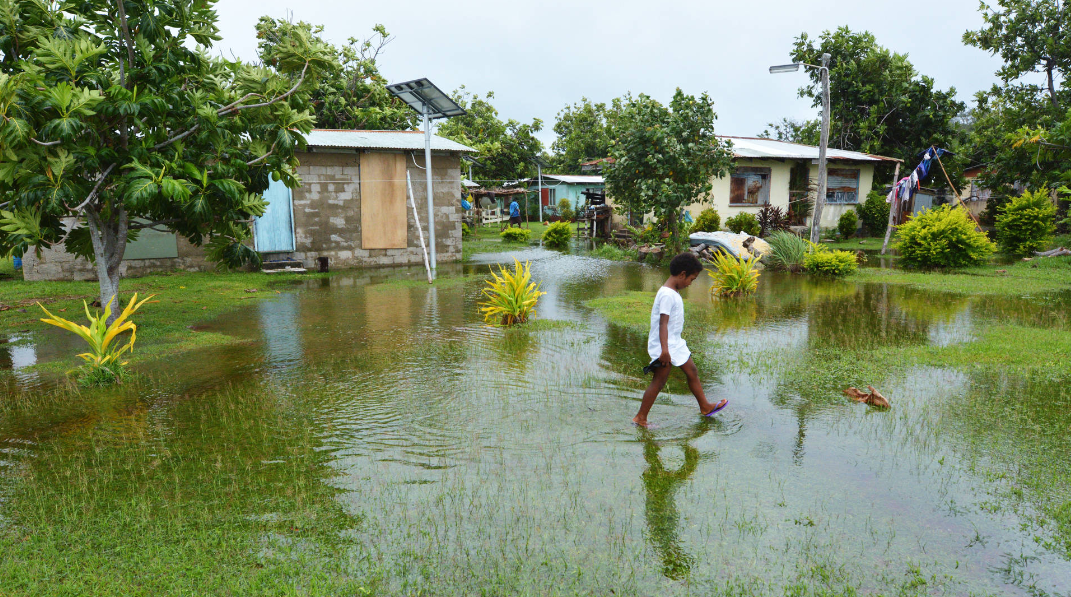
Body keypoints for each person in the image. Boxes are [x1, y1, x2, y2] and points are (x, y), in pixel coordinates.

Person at [633, 252, 728, 427]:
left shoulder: (672, 292)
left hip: (675, 342)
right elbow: (663, 323)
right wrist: (664, 351)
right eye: (691, 279)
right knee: (659, 382)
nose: (690, 284)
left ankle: (705, 406)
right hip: (665, 346)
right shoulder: (667, 295)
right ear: (682, 274)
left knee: (692, 371)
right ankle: (640, 418)